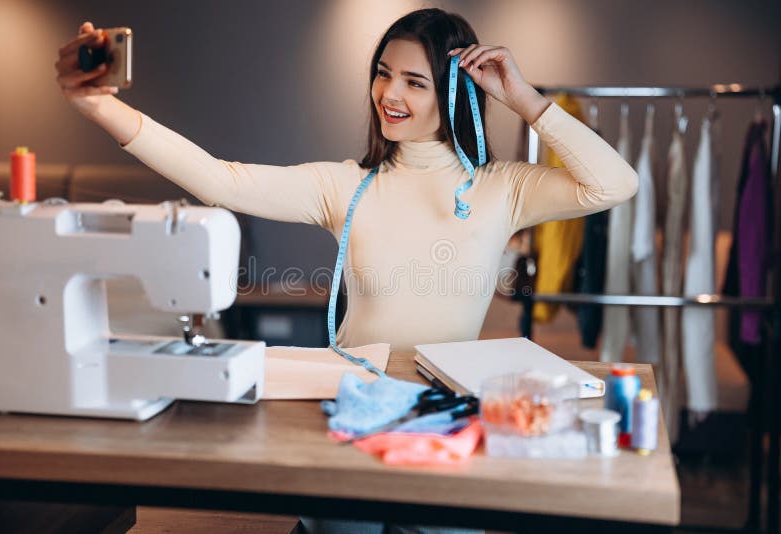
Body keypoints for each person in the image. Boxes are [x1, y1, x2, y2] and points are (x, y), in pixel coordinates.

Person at [55, 7, 637, 534]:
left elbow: (616, 183)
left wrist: (526, 101)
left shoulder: (502, 189)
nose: (390, 92)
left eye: (415, 81)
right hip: (355, 420)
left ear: (456, 92)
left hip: (448, 429)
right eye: (384, 73)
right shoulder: (346, 186)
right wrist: (99, 105)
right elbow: (219, 179)